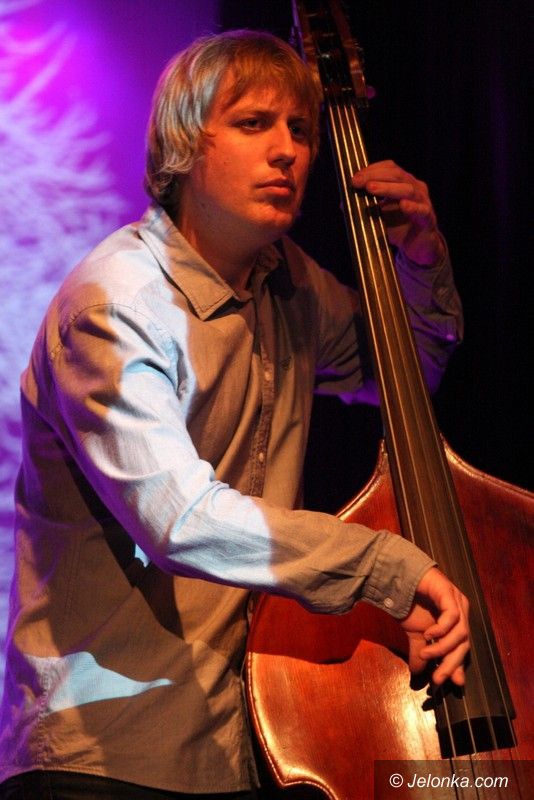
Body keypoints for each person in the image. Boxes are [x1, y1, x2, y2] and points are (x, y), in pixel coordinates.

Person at [0, 29, 469, 800]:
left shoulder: (290, 284)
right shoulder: (116, 303)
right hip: (105, 754)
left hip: (242, 742)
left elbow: (405, 377)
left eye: (301, 130)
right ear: (185, 144)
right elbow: (179, 519)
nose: (288, 151)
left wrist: (420, 259)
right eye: (254, 124)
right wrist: (384, 565)